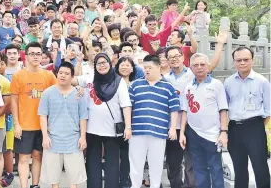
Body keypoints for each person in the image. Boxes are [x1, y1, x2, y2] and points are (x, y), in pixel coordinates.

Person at [127, 55, 180, 188]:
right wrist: (128, 127)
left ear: (158, 67)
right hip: (137, 131)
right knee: (135, 164)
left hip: (159, 132)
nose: (147, 70)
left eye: (150, 67)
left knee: (156, 164)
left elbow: (174, 109)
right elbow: (128, 107)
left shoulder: (168, 87)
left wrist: (172, 128)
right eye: (145, 68)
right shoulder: (135, 85)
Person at [178, 53, 228, 188]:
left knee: (216, 169)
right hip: (193, 133)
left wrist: (223, 132)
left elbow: (223, 110)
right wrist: (182, 133)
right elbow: (184, 111)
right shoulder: (188, 87)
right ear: (191, 68)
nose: (199, 68)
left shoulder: (217, 84)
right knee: (199, 168)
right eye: (195, 65)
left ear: (208, 67)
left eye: (202, 65)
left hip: (212, 134)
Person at [11, 42, 56, 188]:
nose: (36, 57)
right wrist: (16, 123)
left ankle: (35, 185)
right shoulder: (18, 76)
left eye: (38, 54)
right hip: (25, 125)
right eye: (32, 54)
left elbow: (59, 93)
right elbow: (14, 101)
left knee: (38, 156)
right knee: (23, 158)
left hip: (43, 125)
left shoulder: (48, 76)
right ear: (26, 56)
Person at [224, 46, 270, 188]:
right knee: (239, 167)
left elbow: (269, 110)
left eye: (246, 59)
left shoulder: (262, 82)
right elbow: (224, 108)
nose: (242, 63)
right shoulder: (228, 82)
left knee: (260, 166)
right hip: (234, 129)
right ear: (234, 62)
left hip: (255, 127)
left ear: (252, 61)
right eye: (238, 60)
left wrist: (256, 127)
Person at [38, 62, 88, 188]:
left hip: (73, 141)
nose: (63, 76)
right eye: (60, 73)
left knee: (74, 179)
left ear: (72, 77)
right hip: (53, 140)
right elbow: (43, 115)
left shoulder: (79, 94)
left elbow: (83, 117)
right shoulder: (48, 93)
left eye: (66, 74)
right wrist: (45, 136)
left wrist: (83, 137)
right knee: (53, 179)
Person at [86, 53, 132, 188]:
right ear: (95, 66)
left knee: (112, 163)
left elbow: (126, 105)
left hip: (112, 130)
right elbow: (74, 80)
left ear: (110, 64)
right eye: (98, 63)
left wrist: (128, 127)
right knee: (92, 162)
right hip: (92, 129)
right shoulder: (90, 79)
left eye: (104, 62)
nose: (102, 65)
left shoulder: (119, 81)